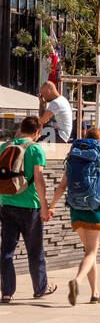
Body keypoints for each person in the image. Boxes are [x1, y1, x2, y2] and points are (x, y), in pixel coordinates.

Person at [49, 128, 100, 305]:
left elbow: (62, 186)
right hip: (95, 209)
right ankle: (77, 282)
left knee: (89, 252)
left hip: (76, 209)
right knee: (92, 252)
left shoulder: (75, 157)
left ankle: (95, 293)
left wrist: (52, 206)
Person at [0, 116, 55, 303]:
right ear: (38, 132)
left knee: (6, 250)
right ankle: (40, 288)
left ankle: (7, 292)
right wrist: (45, 207)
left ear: (20, 128)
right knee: (35, 250)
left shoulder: (4, 147)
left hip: (7, 204)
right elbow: (39, 179)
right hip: (30, 206)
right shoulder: (35, 149)